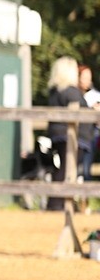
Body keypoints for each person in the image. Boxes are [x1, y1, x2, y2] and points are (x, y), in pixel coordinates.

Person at [46, 56, 87, 208]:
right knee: (66, 171)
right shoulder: (71, 92)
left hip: (59, 135)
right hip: (72, 136)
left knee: (63, 169)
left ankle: (57, 203)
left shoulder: (55, 91)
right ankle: (57, 204)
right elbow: (81, 112)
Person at [79, 65, 99, 181]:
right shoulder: (75, 94)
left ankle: (84, 198)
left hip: (90, 134)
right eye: (85, 77)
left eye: (89, 77)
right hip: (78, 135)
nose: (87, 80)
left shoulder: (94, 95)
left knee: (86, 168)